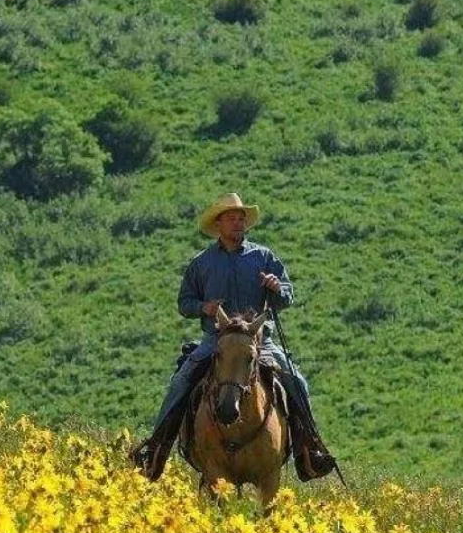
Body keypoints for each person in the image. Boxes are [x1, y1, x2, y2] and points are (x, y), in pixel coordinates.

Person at [131, 193, 337, 481]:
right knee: (180, 383)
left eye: (241, 218)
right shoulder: (201, 263)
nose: (239, 223)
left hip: (259, 343)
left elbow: (288, 294)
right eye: (232, 218)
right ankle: (155, 451)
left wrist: (277, 287)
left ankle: (309, 449)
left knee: (296, 381)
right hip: (216, 342)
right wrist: (204, 307)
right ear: (219, 224)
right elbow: (184, 302)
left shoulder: (264, 257)